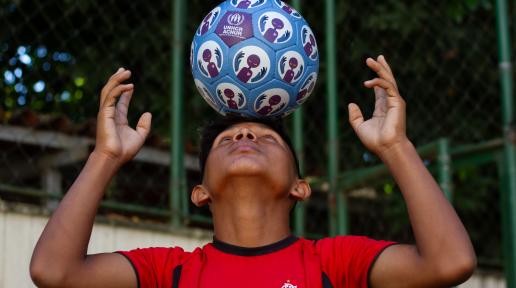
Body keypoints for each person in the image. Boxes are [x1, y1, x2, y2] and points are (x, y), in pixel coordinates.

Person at [30, 55, 476, 288]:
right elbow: (54, 273)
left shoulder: (334, 264)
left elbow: (450, 264)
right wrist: (104, 157)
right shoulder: (171, 272)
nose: (244, 138)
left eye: (266, 138)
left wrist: (396, 146)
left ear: (300, 188)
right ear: (200, 191)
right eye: (227, 140)